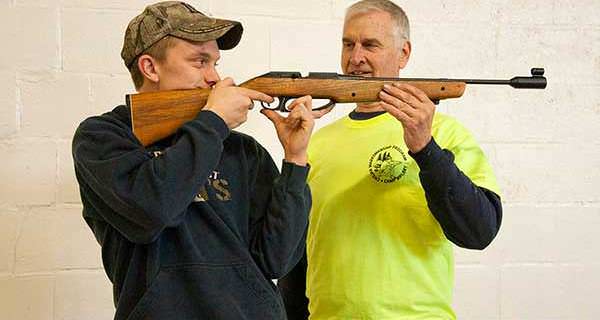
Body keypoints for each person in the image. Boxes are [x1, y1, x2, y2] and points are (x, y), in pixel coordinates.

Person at [72, 1, 315, 319]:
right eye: (200, 62)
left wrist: (294, 159)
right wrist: (213, 121)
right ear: (150, 68)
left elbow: (277, 260)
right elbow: (152, 210)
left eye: (215, 62)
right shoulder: (103, 138)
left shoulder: (242, 150)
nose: (215, 77)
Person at [278, 0, 503, 319]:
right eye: (348, 44)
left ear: (404, 53)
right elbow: (296, 255)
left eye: (370, 44)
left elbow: (479, 231)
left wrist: (425, 148)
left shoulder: (444, 133)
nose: (356, 58)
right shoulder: (316, 143)